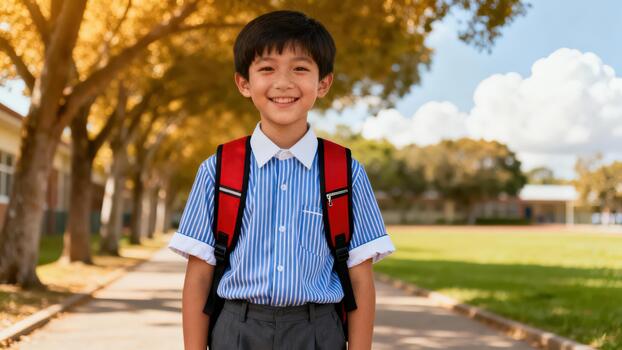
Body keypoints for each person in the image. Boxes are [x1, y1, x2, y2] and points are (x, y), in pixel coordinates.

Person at [167, 10, 396, 350]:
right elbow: (199, 278)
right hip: (236, 330)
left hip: (318, 331)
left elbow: (361, 282)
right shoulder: (217, 169)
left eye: (300, 68)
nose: (284, 82)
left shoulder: (346, 172)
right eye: (267, 68)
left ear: (323, 83)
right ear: (244, 83)